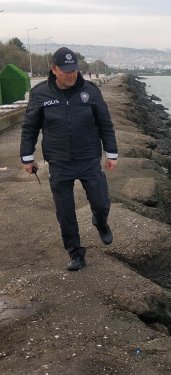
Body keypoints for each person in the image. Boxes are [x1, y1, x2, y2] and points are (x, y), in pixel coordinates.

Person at [20, 47, 118, 271]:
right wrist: (27, 157)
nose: (71, 74)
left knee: (101, 203)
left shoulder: (90, 92)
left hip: (89, 159)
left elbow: (105, 124)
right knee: (65, 212)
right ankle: (75, 253)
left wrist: (111, 154)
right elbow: (29, 128)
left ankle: (100, 221)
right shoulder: (40, 94)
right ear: (54, 69)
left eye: (73, 70)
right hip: (59, 162)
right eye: (65, 71)